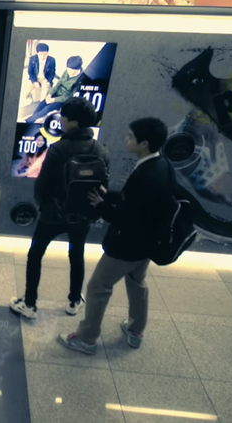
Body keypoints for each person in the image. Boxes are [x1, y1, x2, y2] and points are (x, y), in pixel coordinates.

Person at [58, 117, 171, 354]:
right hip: (147, 244)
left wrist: (101, 205)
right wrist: (108, 195)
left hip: (126, 246)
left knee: (99, 286)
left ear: (144, 143)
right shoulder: (162, 165)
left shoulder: (146, 175)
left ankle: (86, 339)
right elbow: (137, 202)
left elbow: (128, 218)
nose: (126, 139)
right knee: (136, 283)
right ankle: (135, 330)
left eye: (131, 136)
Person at [11, 98, 109, 319]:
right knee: (76, 254)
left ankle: (30, 304)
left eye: (63, 117)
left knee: (35, 255)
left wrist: (42, 206)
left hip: (52, 215)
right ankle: (74, 301)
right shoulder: (100, 150)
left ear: (73, 122)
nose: (61, 120)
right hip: (82, 215)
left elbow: (42, 184)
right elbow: (104, 185)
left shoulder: (57, 149)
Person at [26, 56, 87, 123]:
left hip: (65, 100)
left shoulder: (82, 80)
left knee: (48, 108)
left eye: (70, 70)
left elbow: (70, 97)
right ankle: (31, 120)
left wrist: (54, 100)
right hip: (57, 93)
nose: (68, 71)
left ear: (76, 70)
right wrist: (50, 94)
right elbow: (59, 84)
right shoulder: (67, 71)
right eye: (67, 68)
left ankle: (28, 121)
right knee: (42, 103)